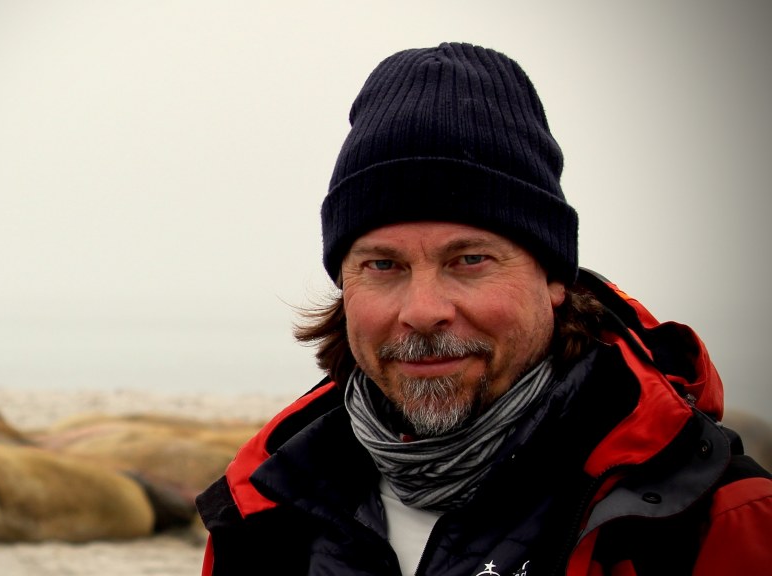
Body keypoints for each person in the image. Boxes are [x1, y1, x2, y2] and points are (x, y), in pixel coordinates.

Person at [195, 42, 772, 576]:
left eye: (469, 260)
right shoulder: (261, 513)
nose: (422, 311)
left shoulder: (716, 522)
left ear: (552, 277)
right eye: (382, 265)